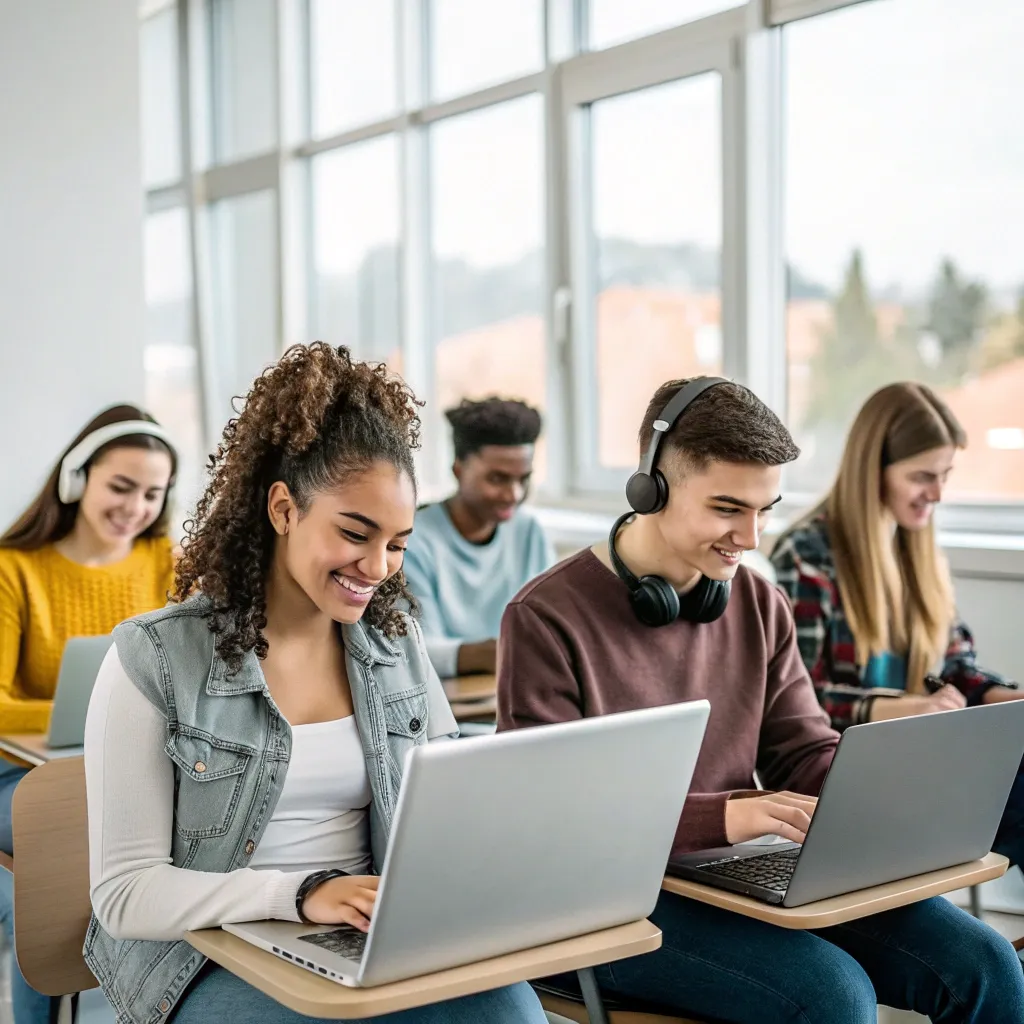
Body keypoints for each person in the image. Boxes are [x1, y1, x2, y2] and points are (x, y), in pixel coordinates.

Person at [497, 376, 1023, 1023]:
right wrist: (728, 816)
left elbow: (801, 749)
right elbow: (550, 818)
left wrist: (881, 794)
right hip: (601, 901)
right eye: (727, 508)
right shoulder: (545, 617)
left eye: (765, 509)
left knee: (986, 965)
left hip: (734, 875)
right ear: (651, 485)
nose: (750, 537)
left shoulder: (756, 602)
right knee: (833, 999)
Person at [82, 344, 549, 1024]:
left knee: (510, 1014)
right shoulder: (155, 655)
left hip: (365, 934)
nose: (379, 566)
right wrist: (301, 894)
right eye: (355, 533)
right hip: (206, 954)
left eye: (398, 543)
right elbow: (125, 894)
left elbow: (448, 811)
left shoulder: (394, 643)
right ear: (283, 509)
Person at [770, 382, 1024, 876]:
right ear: (874, 471)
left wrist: (1007, 700)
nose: (937, 493)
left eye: (945, 475)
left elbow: (955, 668)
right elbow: (800, 703)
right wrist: (902, 708)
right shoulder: (805, 556)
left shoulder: (917, 548)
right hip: (848, 770)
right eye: (922, 476)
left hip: (922, 757)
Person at [0, 404, 177, 1024]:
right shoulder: (14, 569)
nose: (135, 507)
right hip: (21, 775)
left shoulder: (166, 563)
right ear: (76, 480)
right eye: (121, 486)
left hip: (129, 765)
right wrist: (101, 710)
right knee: (65, 864)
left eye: (152, 493)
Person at [403, 397, 554, 678]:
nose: (514, 495)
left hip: (512, 691)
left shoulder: (529, 532)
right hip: (448, 705)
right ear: (458, 469)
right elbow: (412, 651)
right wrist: (490, 652)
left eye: (523, 479)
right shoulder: (412, 541)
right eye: (498, 479)